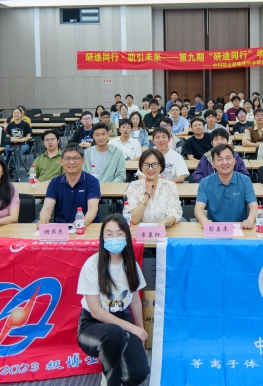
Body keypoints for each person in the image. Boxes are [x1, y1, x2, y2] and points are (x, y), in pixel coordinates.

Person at [77, 214, 150, 386]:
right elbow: (96, 311)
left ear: (126, 236)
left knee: (138, 374)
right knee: (114, 333)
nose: (114, 239)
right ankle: (109, 378)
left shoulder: (131, 264)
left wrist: (140, 331)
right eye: (109, 234)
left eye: (119, 234)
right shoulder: (92, 265)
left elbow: (135, 301)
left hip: (121, 317)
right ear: (103, 237)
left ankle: (115, 363)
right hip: (92, 324)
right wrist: (132, 328)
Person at [194, 144, 258, 228]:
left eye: (228, 158)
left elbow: (253, 205)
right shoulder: (205, 182)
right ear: (213, 164)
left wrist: (250, 219)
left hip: (240, 227)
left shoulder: (245, 180)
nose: (225, 162)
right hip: (215, 228)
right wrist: (204, 221)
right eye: (220, 159)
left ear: (234, 161)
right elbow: (198, 208)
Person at [39, 144, 101, 225]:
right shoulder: (55, 182)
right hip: (62, 228)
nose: (71, 162)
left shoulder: (92, 181)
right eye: (67, 159)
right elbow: (47, 208)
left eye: (76, 158)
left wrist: (81, 223)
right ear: (61, 161)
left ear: (83, 161)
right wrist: (43, 219)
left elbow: (93, 208)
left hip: (87, 226)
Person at [125, 149, 183, 227]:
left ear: (161, 167)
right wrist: (147, 194)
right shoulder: (134, 186)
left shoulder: (170, 186)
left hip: (165, 230)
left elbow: (175, 214)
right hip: (140, 232)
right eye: (146, 165)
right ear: (141, 167)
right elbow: (134, 219)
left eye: (154, 164)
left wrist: (165, 222)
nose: (150, 169)